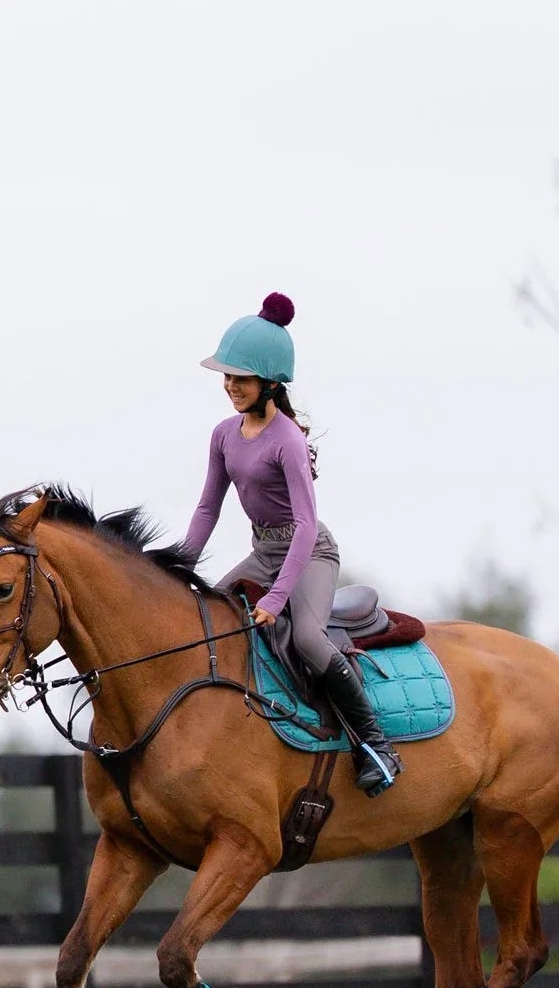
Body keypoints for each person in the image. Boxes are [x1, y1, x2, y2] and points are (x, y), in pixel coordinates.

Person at [172, 293, 402, 795]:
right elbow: (208, 509)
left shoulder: (288, 442)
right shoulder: (223, 435)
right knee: (210, 617)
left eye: (241, 378)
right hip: (264, 552)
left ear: (271, 383)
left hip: (310, 552)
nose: (230, 386)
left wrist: (275, 600)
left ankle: (374, 744)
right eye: (226, 377)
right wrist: (179, 568)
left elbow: (304, 526)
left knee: (307, 639)